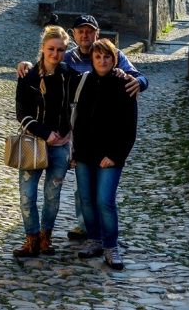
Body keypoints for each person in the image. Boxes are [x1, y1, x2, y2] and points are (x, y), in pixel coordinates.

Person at [16, 14, 148, 242]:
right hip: (52, 140)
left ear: (97, 33)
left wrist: (130, 78)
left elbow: (133, 78)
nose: (85, 35)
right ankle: (50, 235)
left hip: (79, 141)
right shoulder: (59, 64)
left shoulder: (93, 66)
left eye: (89, 31)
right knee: (56, 194)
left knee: (87, 196)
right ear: (75, 35)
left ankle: (96, 237)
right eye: (80, 31)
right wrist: (27, 65)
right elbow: (28, 99)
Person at [72, 38, 138, 270]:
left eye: (107, 57)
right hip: (84, 153)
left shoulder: (125, 84)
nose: (102, 61)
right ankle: (94, 240)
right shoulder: (84, 81)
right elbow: (77, 119)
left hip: (110, 155)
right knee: (87, 200)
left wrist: (116, 155)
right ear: (92, 59)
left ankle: (111, 245)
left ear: (114, 59)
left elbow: (129, 128)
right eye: (98, 57)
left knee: (105, 201)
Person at [13, 25, 76, 257]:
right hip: (33, 144)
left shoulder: (69, 75)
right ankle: (31, 238)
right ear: (42, 48)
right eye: (51, 48)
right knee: (27, 195)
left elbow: (76, 107)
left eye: (60, 49)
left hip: (60, 146)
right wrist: (44, 132)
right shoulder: (28, 76)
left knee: (53, 194)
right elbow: (22, 114)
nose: (55, 54)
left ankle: (45, 237)